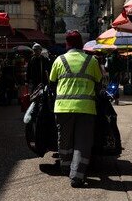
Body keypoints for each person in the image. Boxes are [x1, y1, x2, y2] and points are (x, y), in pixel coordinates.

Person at [49, 30, 102, 188]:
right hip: (86, 109)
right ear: (81, 44)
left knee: (64, 139)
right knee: (82, 143)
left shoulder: (59, 60)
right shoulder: (92, 61)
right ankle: (77, 176)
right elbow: (99, 85)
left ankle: (65, 168)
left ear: (67, 44)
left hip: (63, 108)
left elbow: (52, 84)